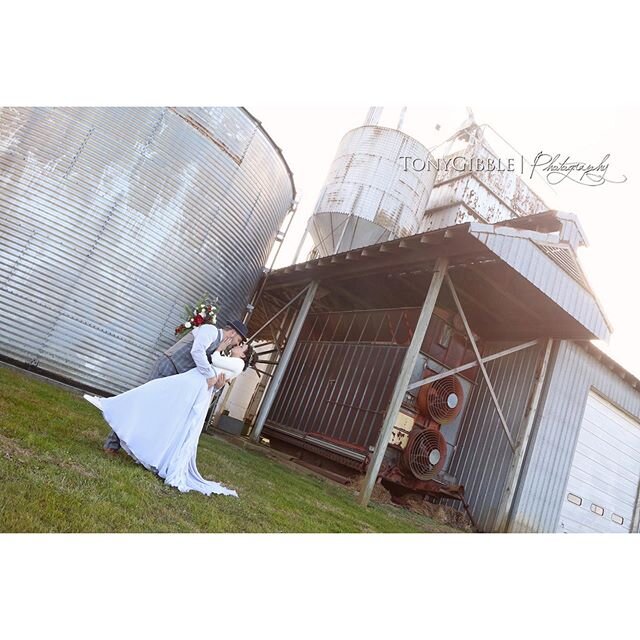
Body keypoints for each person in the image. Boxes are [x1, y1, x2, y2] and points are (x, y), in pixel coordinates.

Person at [85, 341, 255, 497]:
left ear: (243, 356)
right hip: (192, 383)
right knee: (159, 398)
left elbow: (215, 359)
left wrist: (219, 348)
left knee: (158, 395)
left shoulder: (238, 364)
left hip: (194, 386)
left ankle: (119, 410)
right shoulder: (234, 362)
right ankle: (120, 410)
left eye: (242, 346)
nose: (237, 345)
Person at [103, 319, 249, 454]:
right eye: (238, 340)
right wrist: (210, 376)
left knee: (156, 415)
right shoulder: (209, 331)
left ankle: (135, 448)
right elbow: (197, 352)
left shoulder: (219, 348)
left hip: (178, 380)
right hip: (168, 366)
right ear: (232, 332)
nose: (236, 344)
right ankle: (112, 444)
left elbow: (210, 371)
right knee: (140, 403)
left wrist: (216, 384)